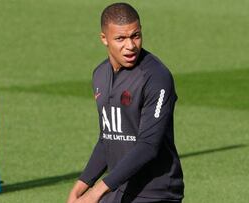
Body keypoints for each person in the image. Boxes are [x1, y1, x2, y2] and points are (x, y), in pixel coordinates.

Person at [67, 2, 184, 203]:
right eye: (120, 38)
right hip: (118, 189)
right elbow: (108, 138)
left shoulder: (156, 78)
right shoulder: (100, 75)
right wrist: (80, 187)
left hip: (155, 193)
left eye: (135, 36)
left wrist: (96, 192)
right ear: (104, 39)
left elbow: (148, 145)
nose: (130, 46)